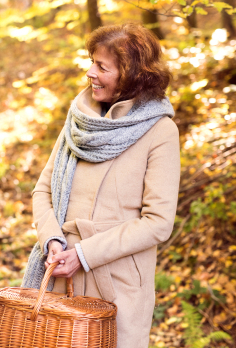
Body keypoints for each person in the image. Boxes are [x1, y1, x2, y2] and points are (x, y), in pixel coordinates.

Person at [22, 23, 180, 348]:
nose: (90, 72)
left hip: (117, 286)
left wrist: (84, 254)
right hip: (60, 275)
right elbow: (43, 191)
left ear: (131, 75)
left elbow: (158, 223)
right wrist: (52, 239)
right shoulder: (79, 121)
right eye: (91, 61)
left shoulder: (161, 132)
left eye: (102, 66)